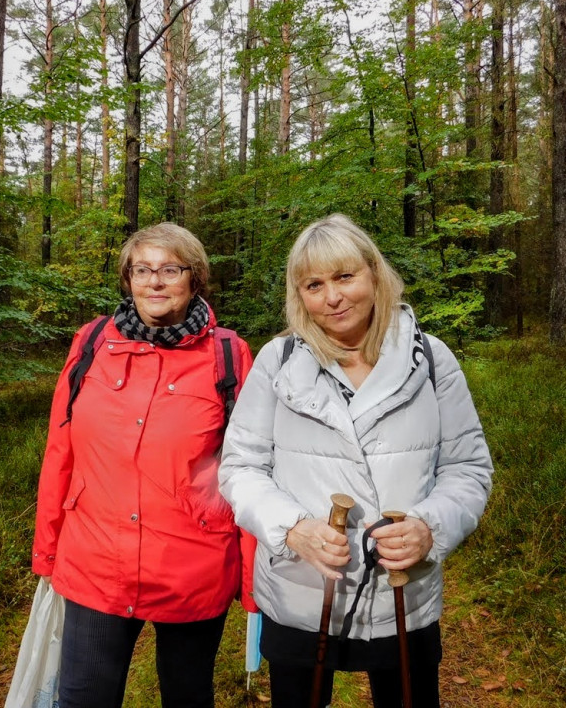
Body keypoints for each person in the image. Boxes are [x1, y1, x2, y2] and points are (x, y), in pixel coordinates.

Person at [219, 213, 493, 708]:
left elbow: (467, 468)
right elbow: (240, 468)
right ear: (298, 294)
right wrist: (292, 529)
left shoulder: (430, 359)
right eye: (314, 284)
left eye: (345, 276)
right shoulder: (278, 361)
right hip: (301, 589)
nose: (333, 297)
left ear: (374, 273)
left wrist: (430, 528)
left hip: (402, 594)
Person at [32, 223, 252, 708]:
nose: (154, 281)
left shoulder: (228, 355)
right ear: (127, 279)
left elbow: (251, 469)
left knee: (188, 696)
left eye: (170, 269)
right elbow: (60, 450)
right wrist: (47, 550)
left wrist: (253, 580)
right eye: (142, 270)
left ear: (195, 279)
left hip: (192, 565)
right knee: (82, 698)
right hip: (96, 560)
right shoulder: (90, 342)